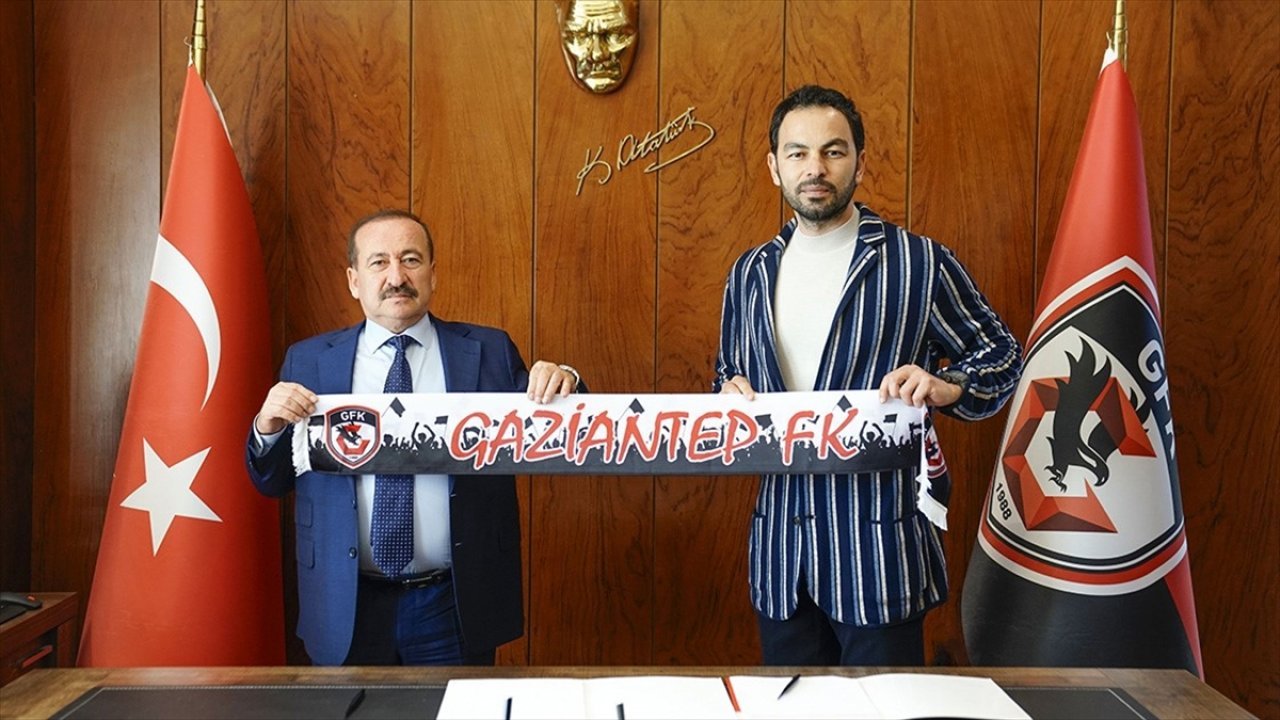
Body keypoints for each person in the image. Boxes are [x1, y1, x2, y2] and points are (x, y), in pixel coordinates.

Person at [714, 85, 1022, 665]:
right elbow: (727, 373)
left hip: (878, 557)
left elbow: (1003, 355)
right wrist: (728, 394)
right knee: (789, 707)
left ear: (859, 162)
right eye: (798, 153)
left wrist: (949, 386)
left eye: (833, 151)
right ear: (774, 166)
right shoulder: (748, 274)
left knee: (888, 705)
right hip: (781, 559)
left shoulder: (919, 262)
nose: (815, 168)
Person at [246, 209, 582, 666]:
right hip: (344, 601)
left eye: (410, 259)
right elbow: (272, 482)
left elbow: (559, 432)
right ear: (354, 280)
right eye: (378, 262)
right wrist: (267, 428)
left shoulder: (489, 351)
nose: (396, 277)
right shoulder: (308, 361)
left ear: (432, 273)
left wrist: (566, 380)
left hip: (454, 603)